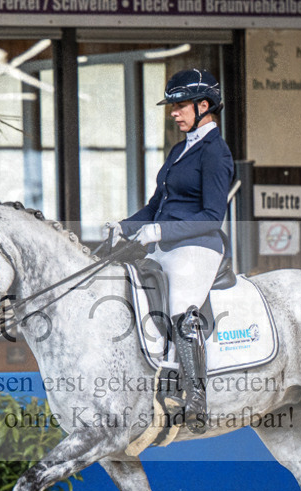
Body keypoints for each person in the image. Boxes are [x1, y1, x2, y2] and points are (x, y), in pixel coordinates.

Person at [110, 68, 234, 435]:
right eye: (173, 106)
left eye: (180, 106)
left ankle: (196, 399)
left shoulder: (216, 153)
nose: (174, 113)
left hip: (197, 247)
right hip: (165, 244)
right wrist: (126, 226)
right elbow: (156, 204)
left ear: (204, 105)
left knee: (180, 304)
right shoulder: (181, 149)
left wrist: (158, 230)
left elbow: (213, 216)